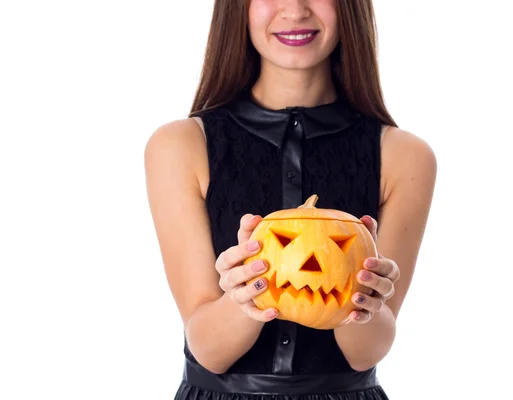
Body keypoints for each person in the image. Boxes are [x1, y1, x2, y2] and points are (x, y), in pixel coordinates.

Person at [144, 0, 437, 398]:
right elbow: (209, 351)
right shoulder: (179, 146)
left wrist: (361, 301)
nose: (295, 10)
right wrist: (242, 298)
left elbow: (367, 354)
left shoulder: (404, 156)